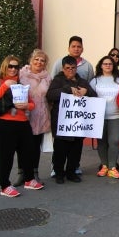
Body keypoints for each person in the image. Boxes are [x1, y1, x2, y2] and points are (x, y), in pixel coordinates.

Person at [0, 56, 43, 197]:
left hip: (23, 123)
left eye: (16, 67)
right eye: (10, 66)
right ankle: (5, 186)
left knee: (28, 152)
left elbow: (31, 103)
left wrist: (26, 106)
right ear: (4, 66)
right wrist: (5, 86)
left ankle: (29, 179)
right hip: (5, 123)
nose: (13, 69)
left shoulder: (21, 83)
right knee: (6, 156)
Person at [47, 56, 97, 184]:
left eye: (73, 68)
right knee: (60, 150)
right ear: (63, 68)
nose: (70, 70)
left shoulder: (82, 81)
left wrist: (87, 92)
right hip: (62, 122)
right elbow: (50, 94)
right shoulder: (58, 80)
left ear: (76, 68)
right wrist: (68, 89)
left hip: (78, 124)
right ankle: (59, 173)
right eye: (67, 68)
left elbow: (94, 96)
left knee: (75, 150)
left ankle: (71, 172)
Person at [16, 49, 52, 186]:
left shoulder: (47, 77)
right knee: (22, 145)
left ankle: (34, 173)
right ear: (31, 60)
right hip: (25, 114)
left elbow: (50, 96)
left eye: (42, 60)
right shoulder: (22, 74)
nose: (39, 62)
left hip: (41, 115)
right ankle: (22, 174)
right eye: (36, 59)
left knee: (35, 146)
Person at [90, 56, 119, 179]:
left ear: (113, 65)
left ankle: (112, 167)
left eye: (110, 64)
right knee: (102, 142)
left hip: (116, 115)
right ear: (101, 65)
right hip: (99, 117)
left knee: (114, 141)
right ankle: (104, 166)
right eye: (105, 64)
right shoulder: (95, 81)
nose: (108, 66)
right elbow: (90, 97)